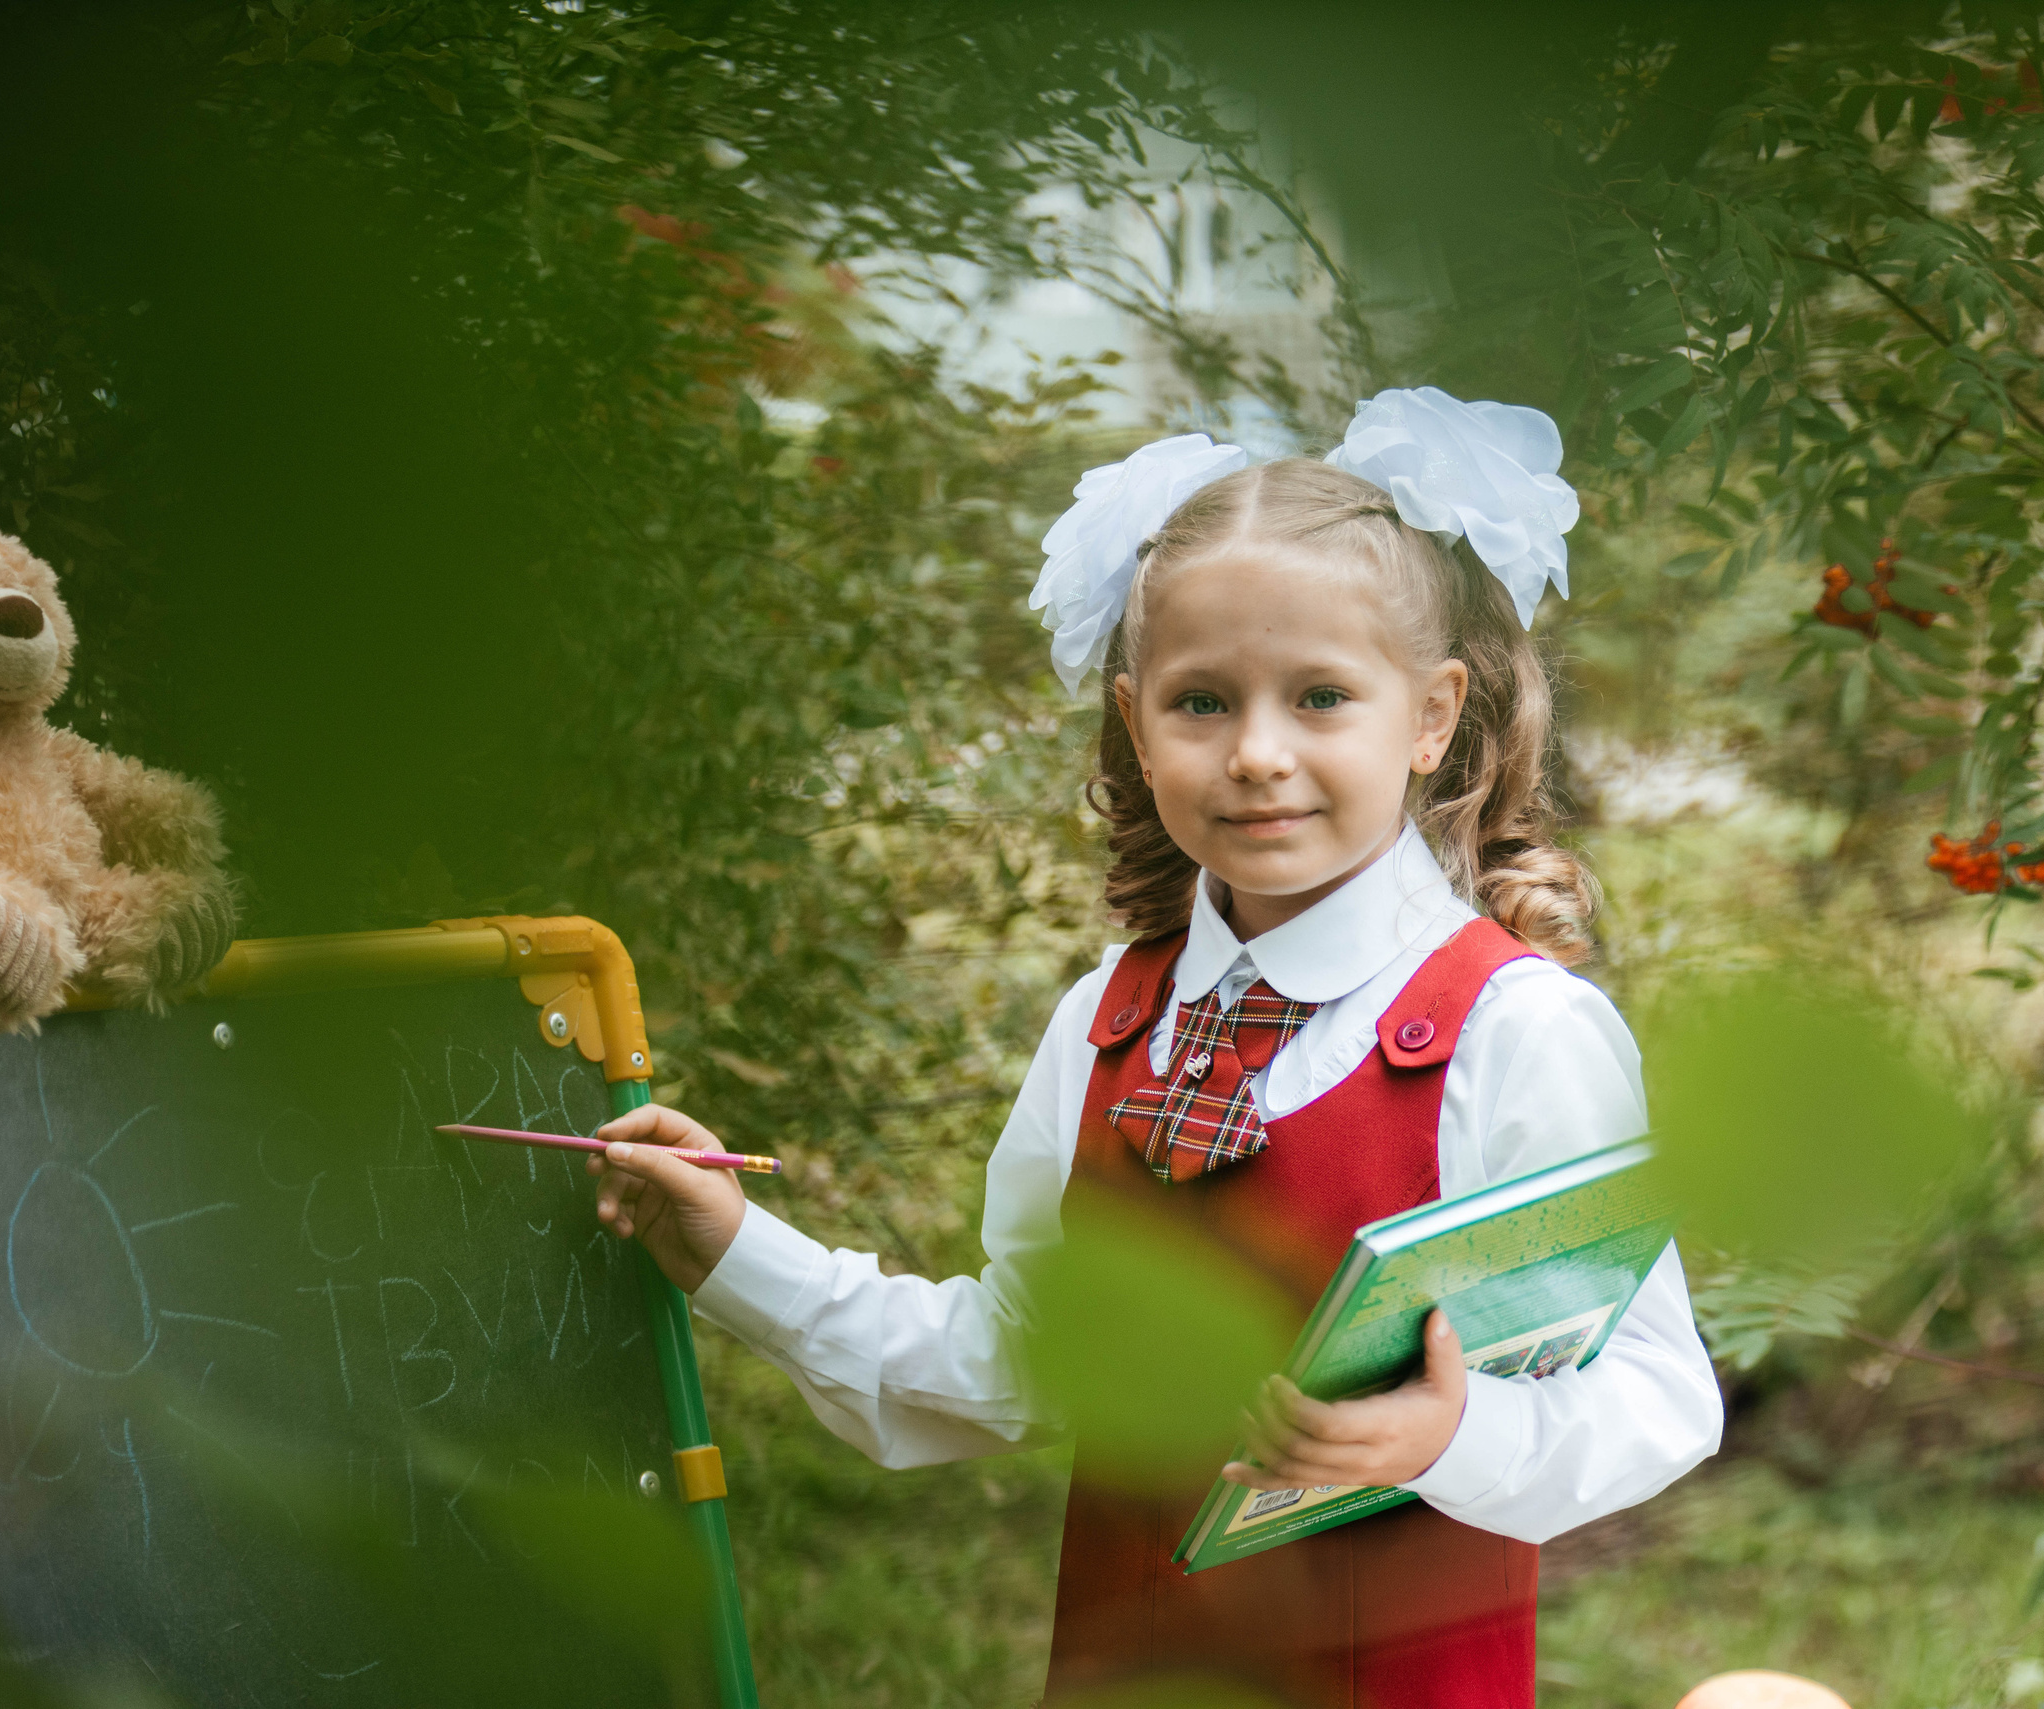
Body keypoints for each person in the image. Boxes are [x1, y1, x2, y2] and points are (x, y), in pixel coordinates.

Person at [589, 387, 1724, 1709]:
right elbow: (1020, 1357)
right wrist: (735, 1252)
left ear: (1429, 716)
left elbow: (1658, 1392)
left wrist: (1449, 1429)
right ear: (1135, 722)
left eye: (1318, 697)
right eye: (1201, 701)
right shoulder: (1107, 1023)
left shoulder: (1514, 1030)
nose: (1256, 754)